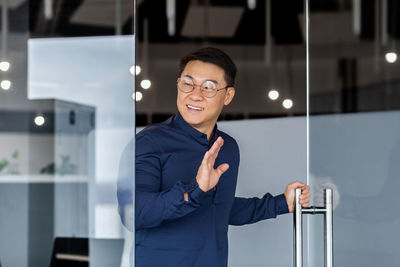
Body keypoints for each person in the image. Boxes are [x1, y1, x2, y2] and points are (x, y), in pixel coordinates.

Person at [117, 47, 310, 267]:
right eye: (187, 84)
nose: (195, 95)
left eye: (208, 87)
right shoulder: (149, 142)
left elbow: (220, 209)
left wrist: (281, 203)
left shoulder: (227, 148)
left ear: (227, 95)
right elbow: (133, 214)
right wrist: (195, 189)